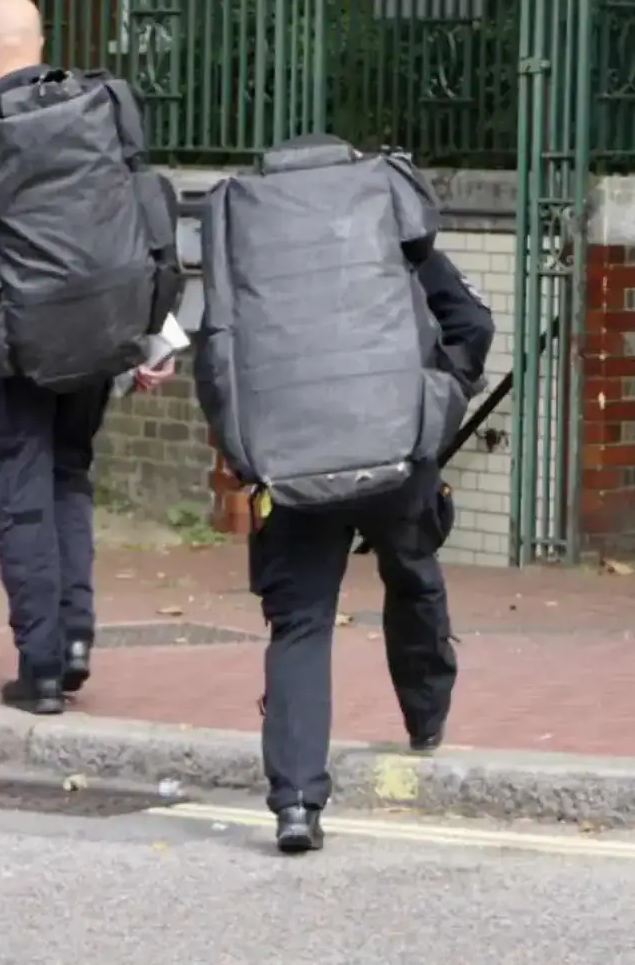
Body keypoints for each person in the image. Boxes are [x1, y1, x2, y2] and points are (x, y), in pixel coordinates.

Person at [0, 0, 177, 715]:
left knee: (21, 496)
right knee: (68, 479)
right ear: (40, 42)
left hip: (13, 341)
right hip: (99, 329)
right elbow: (145, 207)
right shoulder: (104, 102)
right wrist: (154, 324)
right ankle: (77, 636)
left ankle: (43, 664)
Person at [249, 247, 494, 853]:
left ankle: (298, 803)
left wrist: (249, 450)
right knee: (410, 569)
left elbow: (225, 353)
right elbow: (474, 326)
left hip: (297, 459)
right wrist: (431, 407)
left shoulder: (264, 245)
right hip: (395, 449)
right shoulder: (394, 239)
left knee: (301, 624)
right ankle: (426, 716)